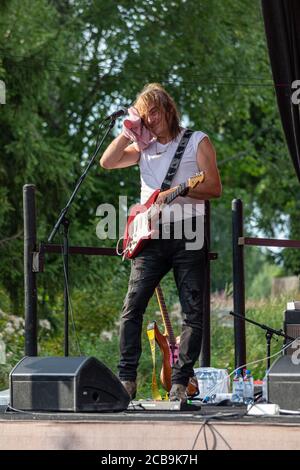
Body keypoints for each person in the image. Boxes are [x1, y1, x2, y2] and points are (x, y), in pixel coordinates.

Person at [100, 83, 222, 401]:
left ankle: (181, 383)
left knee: (193, 311)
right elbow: (107, 162)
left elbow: (214, 188)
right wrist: (129, 132)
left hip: (188, 233)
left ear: (168, 109)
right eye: (143, 115)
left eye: (153, 111)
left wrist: (180, 190)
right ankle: (126, 379)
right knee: (132, 307)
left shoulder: (197, 141)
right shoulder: (143, 147)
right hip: (151, 236)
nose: (150, 119)